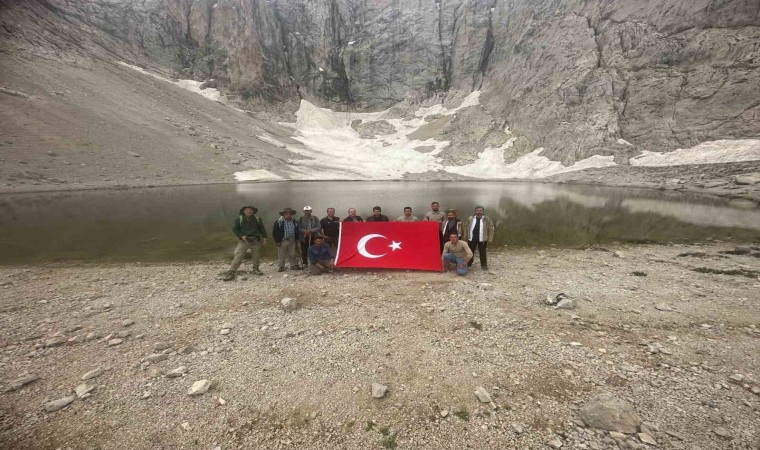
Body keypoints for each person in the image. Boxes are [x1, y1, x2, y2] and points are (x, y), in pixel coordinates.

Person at [222, 206, 267, 281]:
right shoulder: (239, 219)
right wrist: (241, 236)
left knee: (256, 256)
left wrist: (265, 238)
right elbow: (235, 229)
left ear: (253, 211)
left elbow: (262, 228)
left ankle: (256, 269)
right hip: (243, 241)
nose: (249, 211)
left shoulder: (258, 219)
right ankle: (232, 272)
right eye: (247, 210)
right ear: (243, 211)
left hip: (256, 240)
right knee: (238, 256)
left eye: (250, 210)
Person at [464, 206, 495, 270]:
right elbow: (466, 227)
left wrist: (490, 238)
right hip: (472, 238)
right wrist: (465, 235)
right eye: (477, 210)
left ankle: (484, 265)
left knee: (482, 252)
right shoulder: (470, 218)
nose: (479, 212)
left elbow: (491, 229)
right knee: (470, 252)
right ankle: (469, 263)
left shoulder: (487, 219)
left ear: (483, 211)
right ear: (475, 211)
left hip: (482, 238)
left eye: (480, 210)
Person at [272, 207, 301, 272]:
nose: (288, 215)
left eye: (289, 213)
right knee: (281, 254)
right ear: (283, 214)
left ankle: (293, 265)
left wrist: (296, 239)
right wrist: (277, 241)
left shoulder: (294, 221)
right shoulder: (279, 222)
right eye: (286, 213)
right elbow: (275, 232)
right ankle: (281, 266)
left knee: (293, 254)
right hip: (283, 240)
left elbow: (296, 230)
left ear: (291, 214)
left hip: (292, 240)